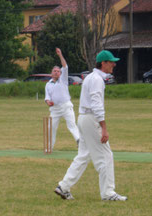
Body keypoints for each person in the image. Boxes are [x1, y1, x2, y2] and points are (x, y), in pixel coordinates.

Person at [54, 50, 128, 201]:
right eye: (111, 62)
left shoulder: (91, 77)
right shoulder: (96, 79)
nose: (114, 64)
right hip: (90, 119)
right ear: (103, 63)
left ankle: (64, 186)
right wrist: (104, 128)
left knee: (83, 155)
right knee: (106, 156)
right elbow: (96, 105)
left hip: (83, 118)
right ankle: (108, 194)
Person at [44, 48, 79, 151]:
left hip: (66, 106)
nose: (56, 72)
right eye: (54, 71)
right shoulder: (48, 84)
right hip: (55, 109)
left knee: (72, 125)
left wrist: (60, 55)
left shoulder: (63, 79)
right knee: (51, 128)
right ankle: (49, 147)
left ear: (60, 73)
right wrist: (48, 102)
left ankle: (79, 141)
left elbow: (65, 66)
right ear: (51, 73)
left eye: (58, 71)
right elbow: (47, 97)